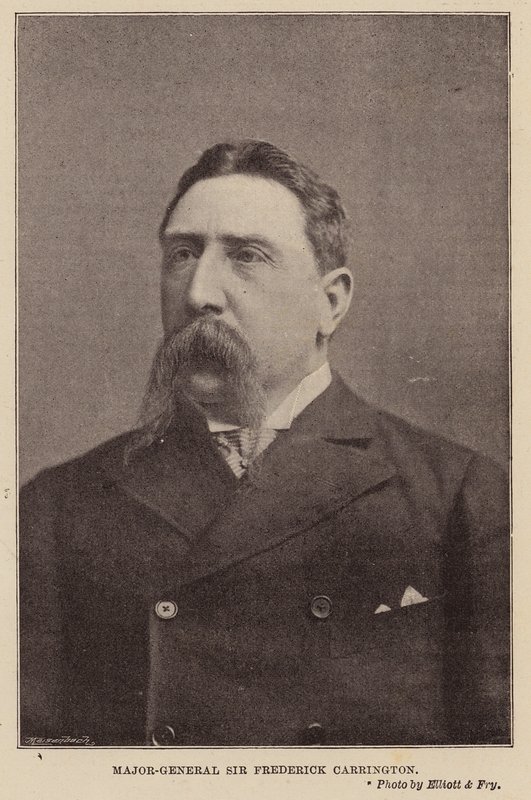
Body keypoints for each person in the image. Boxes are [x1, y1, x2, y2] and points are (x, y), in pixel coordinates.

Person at [19, 140, 510, 747]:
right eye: (182, 254)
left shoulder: (464, 496)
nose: (199, 293)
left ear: (330, 303)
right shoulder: (56, 507)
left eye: (246, 256)